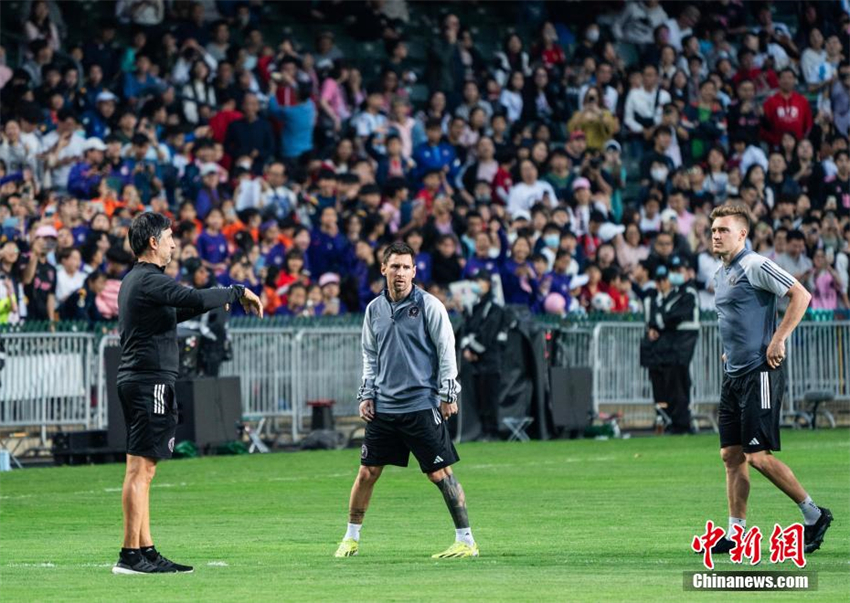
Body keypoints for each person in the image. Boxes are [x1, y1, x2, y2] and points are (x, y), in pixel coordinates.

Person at [113, 212, 262, 575]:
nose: (174, 244)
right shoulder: (148, 279)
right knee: (142, 470)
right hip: (150, 382)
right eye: (168, 237)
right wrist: (236, 290)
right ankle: (130, 555)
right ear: (153, 243)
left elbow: (173, 312)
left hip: (138, 379)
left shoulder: (137, 281)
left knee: (141, 469)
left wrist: (212, 300)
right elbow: (192, 298)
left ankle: (144, 550)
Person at [334, 241, 477, 559]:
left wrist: (447, 393)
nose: (400, 273)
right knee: (367, 473)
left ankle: (466, 541)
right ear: (383, 269)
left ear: (414, 271)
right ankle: (351, 538)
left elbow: (446, 350)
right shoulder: (374, 310)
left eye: (406, 267)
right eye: (394, 266)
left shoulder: (430, 305)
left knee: (440, 474)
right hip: (384, 408)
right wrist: (367, 394)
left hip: (421, 406)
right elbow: (369, 356)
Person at [708, 203, 832, 555]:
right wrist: (729, 350)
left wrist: (778, 339)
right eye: (714, 229)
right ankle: (736, 533)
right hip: (733, 374)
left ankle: (815, 514)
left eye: (724, 229)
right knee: (731, 455)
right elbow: (737, 319)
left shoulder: (755, 264)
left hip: (759, 373)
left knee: (757, 456)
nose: (716, 235)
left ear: (742, 234)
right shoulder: (722, 273)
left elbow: (801, 295)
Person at [639, 259, 699, 435]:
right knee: (668, 382)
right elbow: (663, 317)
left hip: (679, 343)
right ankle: (670, 420)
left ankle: (680, 422)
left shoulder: (686, 292)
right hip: (668, 345)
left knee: (678, 381)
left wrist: (658, 324)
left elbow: (672, 316)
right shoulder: (663, 295)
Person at [458, 268, 509, 441]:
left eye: (481, 281)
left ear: (489, 284)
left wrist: (473, 351)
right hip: (476, 362)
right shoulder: (474, 307)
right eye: (475, 281)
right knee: (480, 397)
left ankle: (492, 431)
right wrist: (467, 349)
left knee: (490, 397)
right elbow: (467, 329)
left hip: (490, 361)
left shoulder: (494, 308)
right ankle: (483, 430)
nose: (477, 284)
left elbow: (487, 334)